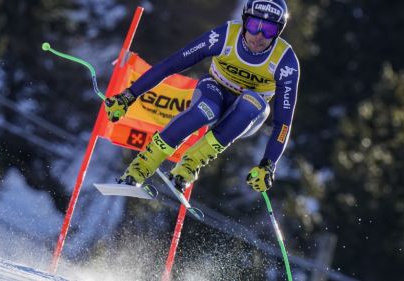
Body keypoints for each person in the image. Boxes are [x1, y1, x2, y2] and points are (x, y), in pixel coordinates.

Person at [104, 0, 300, 194]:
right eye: (253, 25)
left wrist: (268, 164)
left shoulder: (285, 62)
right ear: (244, 21)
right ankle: (139, 169)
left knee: (252, 102)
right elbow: (170, 65)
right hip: (214, 90)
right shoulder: (224, 36)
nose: (259, 36)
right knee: (205, 110)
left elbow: (283, 123)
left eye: (268, 29)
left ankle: (189, 165)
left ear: (279, 31)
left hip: (247, 116)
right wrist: (128, 96)